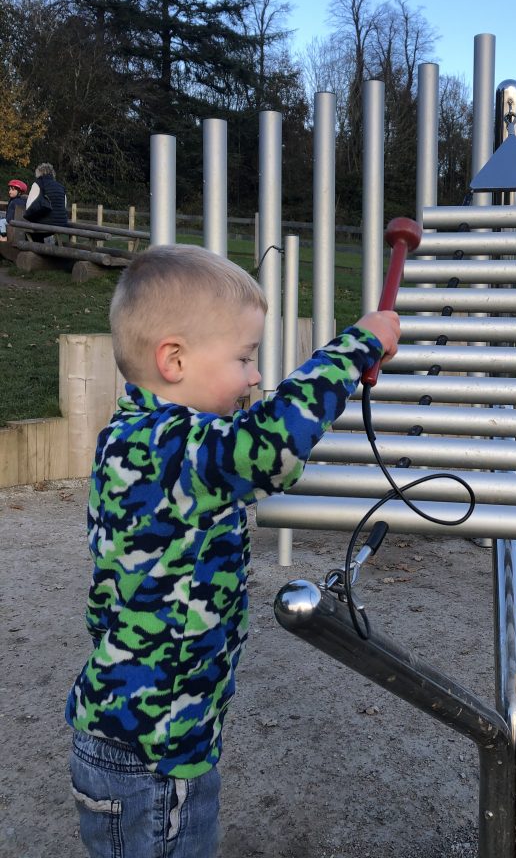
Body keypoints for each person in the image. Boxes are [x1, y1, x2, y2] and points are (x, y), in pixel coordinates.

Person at [65, 243, 400, 858]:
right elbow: (274, 445)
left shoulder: (129, 436)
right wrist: (359, 345)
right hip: (153, 765)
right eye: (245, 357)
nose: (254, 375)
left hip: (141, 742)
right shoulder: (176, 448)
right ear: (174, 359)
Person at [24, 161, 68, 241]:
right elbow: (64, 207)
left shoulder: (38, 184)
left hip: (44, 224)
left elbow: (29, 206)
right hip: (61, 225)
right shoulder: (60, 186)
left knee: (29, 229)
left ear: (38, 172)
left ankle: (35, 250)